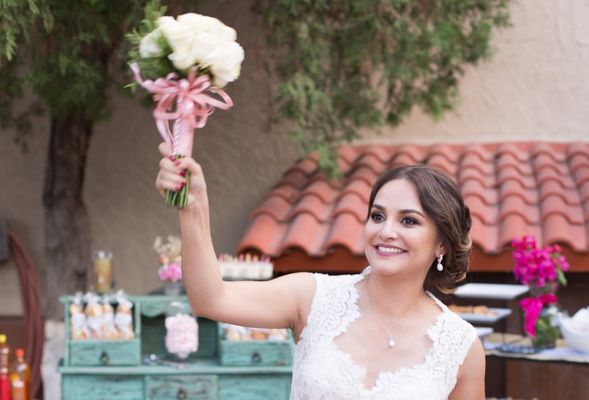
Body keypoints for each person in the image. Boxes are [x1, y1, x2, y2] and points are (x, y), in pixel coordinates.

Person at [156, 143, 485, 399]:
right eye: (378, 216)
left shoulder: (460, 347)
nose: (386, 232)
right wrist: (193, 208)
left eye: (409, 220)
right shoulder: (312, 297)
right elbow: (210, 299)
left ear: (442, 242)